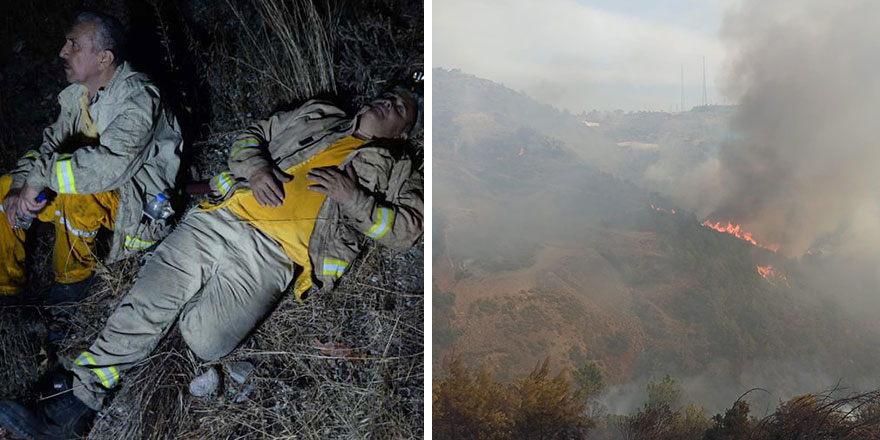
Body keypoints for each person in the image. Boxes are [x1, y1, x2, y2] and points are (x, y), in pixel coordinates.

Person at [0, 85, 424, 439]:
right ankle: (73, 405)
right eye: (387, 94)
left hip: (272, 258)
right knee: (149, 303)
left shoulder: (401, 168)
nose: (388, 102)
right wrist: (256, 168)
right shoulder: (323, 113)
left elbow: (405, 232)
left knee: (205, 340)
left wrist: (354, 198)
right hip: (220, 220)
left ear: (404, 133)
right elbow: (250, 135)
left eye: (400, 106)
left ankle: (169, 307)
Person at [0, 11, 183, 305]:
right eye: (65, 43)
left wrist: (40, 179)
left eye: (74, 45)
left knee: (79, 193)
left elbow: (107, 166)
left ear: (104, 59)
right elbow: (49, 148)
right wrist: (21, 184)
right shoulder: (77, 96)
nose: (63, 51)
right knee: (5, 186)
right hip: (101, 194)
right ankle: (5, 292)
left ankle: (70, 288)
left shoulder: (139, 98)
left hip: (139, 209)